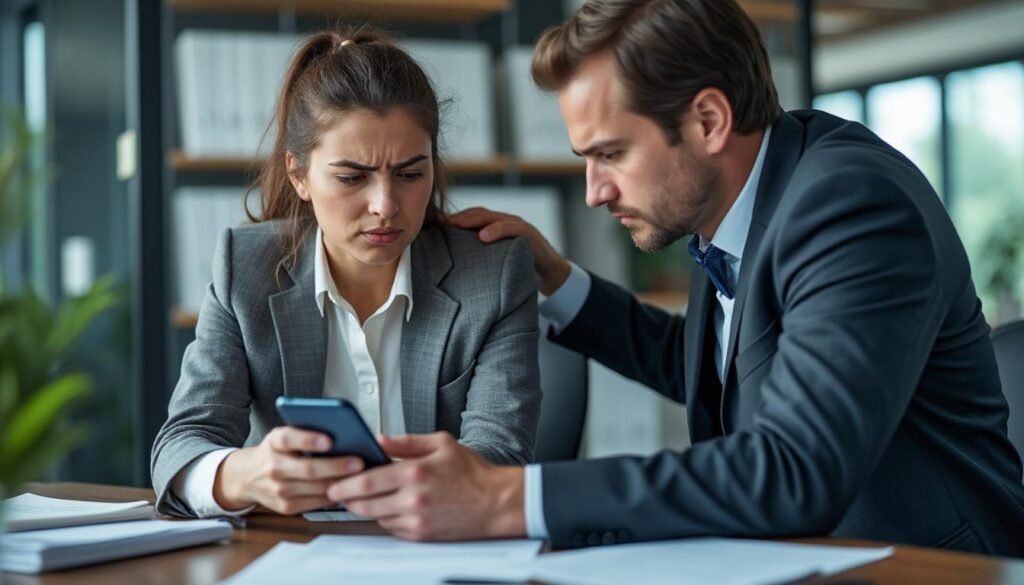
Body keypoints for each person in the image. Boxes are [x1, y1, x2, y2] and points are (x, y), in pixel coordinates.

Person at [322, 0, 1024, 556]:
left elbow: (795, 467)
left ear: (709, 119)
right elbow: (719, 367)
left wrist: (507, 496)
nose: (594, 190)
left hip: (924, 565)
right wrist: (559, 279)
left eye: (611, 154)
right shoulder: (740, 197)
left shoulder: (851, 204)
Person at [150, 28, 541, 518]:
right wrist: (245, 474)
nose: (385, 206)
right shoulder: (245, 268)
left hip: (439, 551)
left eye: (411, 173)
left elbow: (500, 457)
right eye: (352, 177)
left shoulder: (494, 274)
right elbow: (181, 446)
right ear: (299, 176)